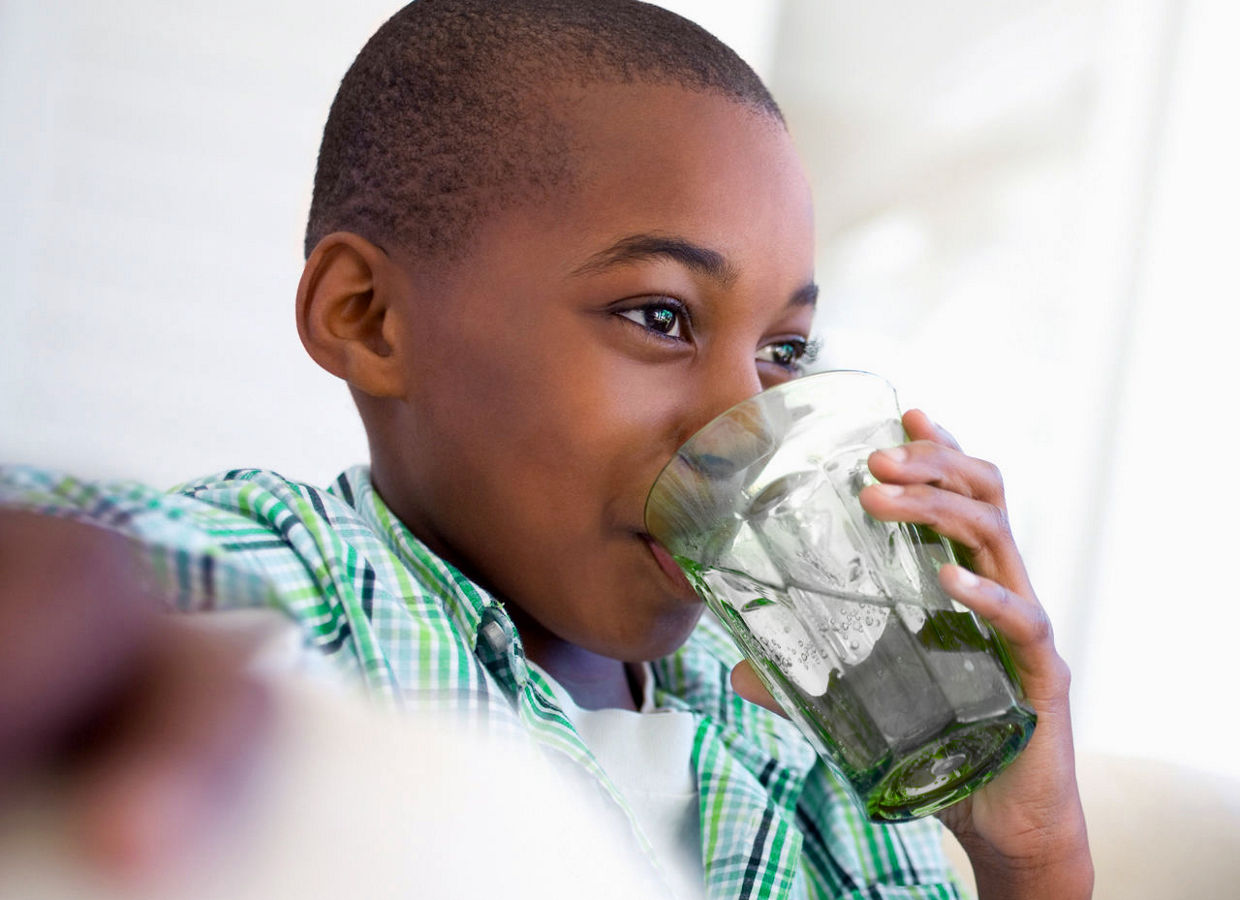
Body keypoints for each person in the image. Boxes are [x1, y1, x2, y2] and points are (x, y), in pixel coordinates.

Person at [0, 1, 1092, 897]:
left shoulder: (806, 740)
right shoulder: (289, 587)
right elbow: (93, 571)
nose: (741, 427)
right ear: (370, 317)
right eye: (660, 316)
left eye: (783, 351)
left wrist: (1028, 853)